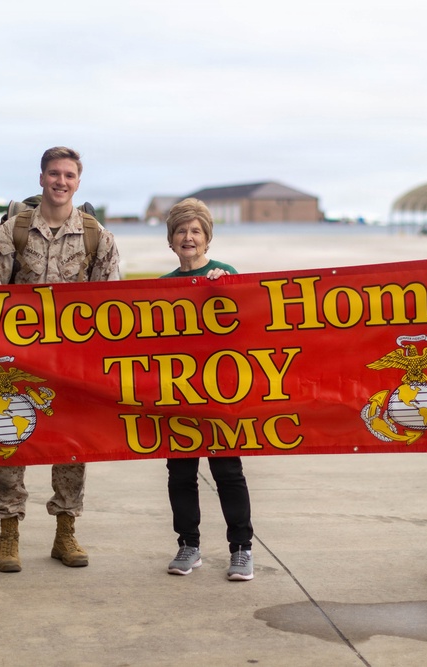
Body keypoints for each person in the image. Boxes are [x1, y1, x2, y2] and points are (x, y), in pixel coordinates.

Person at [0, 146, 120, 573]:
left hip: (72, 364)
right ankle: (8, 534)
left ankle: (65, 531)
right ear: (41, 177)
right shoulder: (10, 233)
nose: (61, 182)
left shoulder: (98, 237)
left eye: (69, 176)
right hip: (17, 362)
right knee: (9, 440)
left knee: (72, 447)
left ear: (78, 181)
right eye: (54, 174)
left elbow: (112, 307)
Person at [160, 198, 255, 581]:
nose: (188, 237)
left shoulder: (225, 274)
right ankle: (189, 545)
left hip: (220, 393)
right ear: (170, 240)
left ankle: (242, 549)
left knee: (227, 471)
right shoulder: (162, 287)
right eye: (181, 231)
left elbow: (249, 324)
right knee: (180, 473)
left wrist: (226, 290)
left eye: (196, 231)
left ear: (207, 239)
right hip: (177, 395)